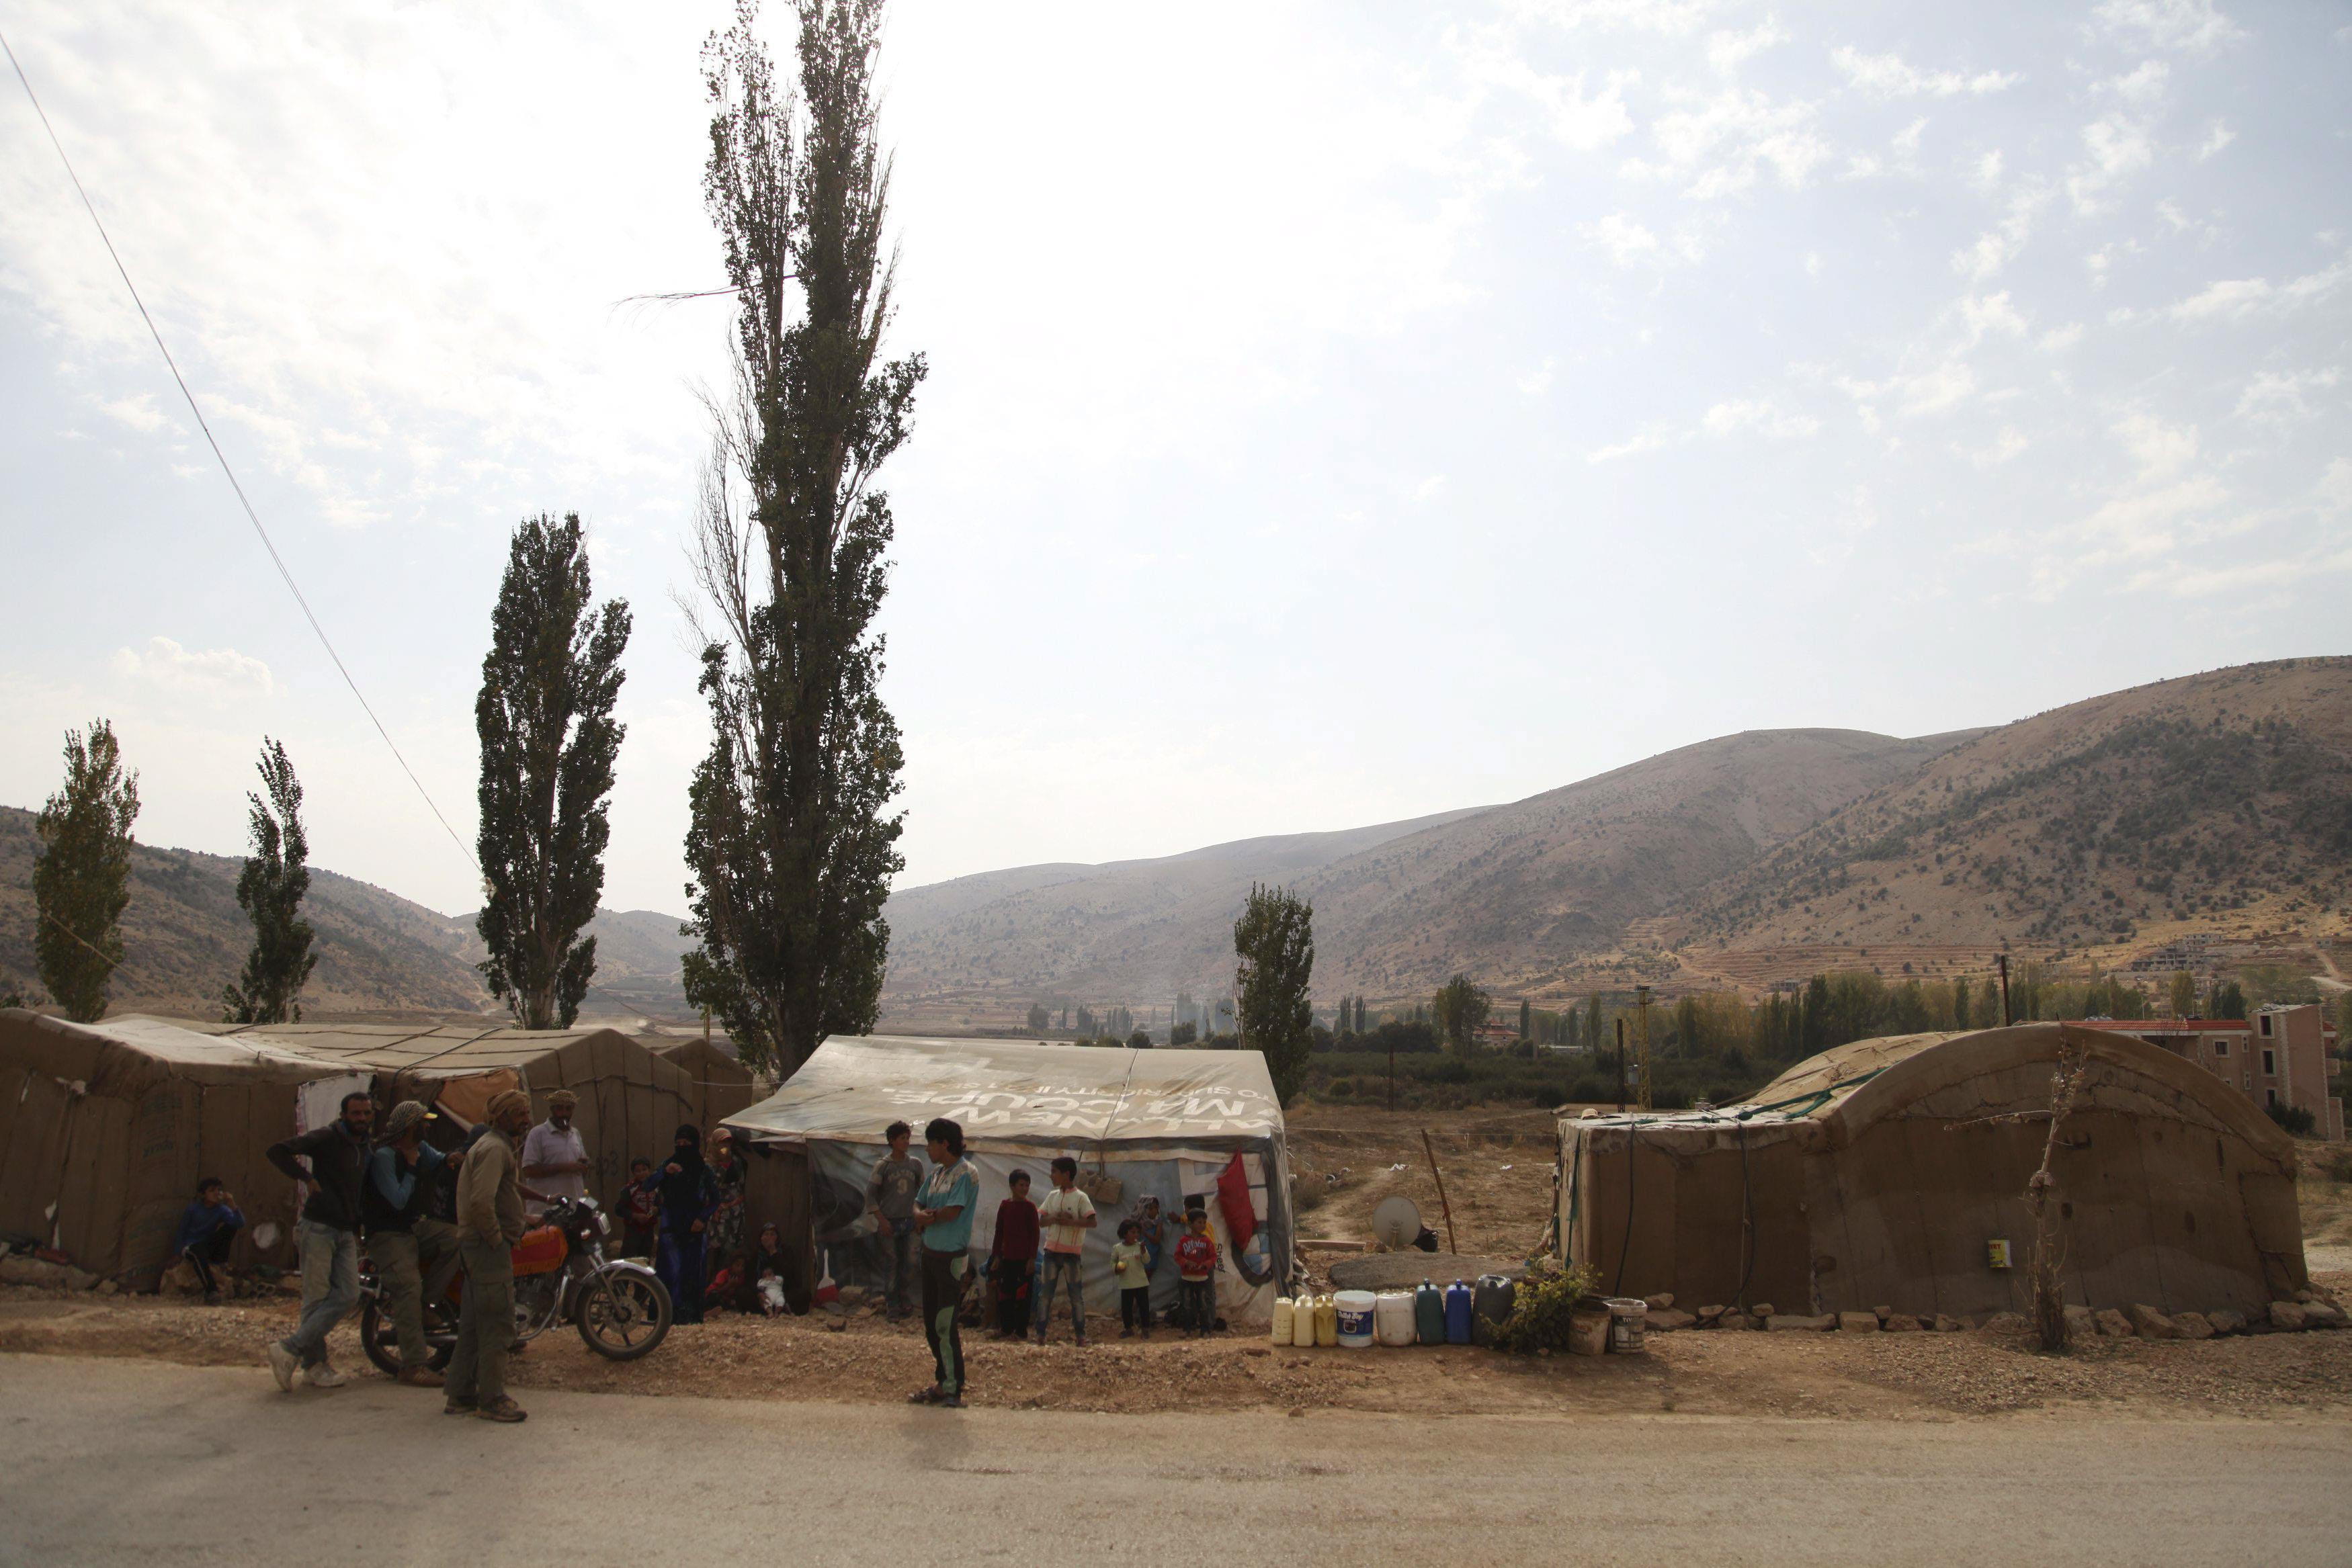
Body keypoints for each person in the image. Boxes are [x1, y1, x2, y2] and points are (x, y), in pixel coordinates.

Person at [264, 1090, 373, 1392]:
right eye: (356, 1114)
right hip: (319, 1227)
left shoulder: (365, 1147)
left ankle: (289, 1348)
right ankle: (314, 1366)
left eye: (366, 1113)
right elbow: (277, 1151)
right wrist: (306, 1178)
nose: (362, 1119)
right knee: (315, 1299)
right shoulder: (327, 1137)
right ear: (343, 1115)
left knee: (349, 1294)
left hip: (344, 1231)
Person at [446, 1088, 532, 1424]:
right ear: (503, 1117)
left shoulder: (493, 1147)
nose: (525, 1120)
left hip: (479, 1246)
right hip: (486, 1248)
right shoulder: (495, 1149)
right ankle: (492, 1398)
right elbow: (482, 1202)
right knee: (497, 1322)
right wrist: (497, 1239)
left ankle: (461, 1393)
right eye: (519, 1114)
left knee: (472, 1323)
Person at [364, 1100, 456, 1387]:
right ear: (409, 1128)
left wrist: (456, 1158)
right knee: (407, 1286)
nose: (427, 1127)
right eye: (423, 1124)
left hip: (413, 1226)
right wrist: (413, 1169)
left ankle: (426, 1306)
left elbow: (441, 1159)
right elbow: (397, 1199)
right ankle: (412, 1365)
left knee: (458, 1239)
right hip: (389, 1234)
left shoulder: (420, 1149)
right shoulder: (385, 1157)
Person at [908, 1117, 977, 1408]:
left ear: (944, 1143)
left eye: (930, 1143)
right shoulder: (937, 1174)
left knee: (944, 1324)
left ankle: (953, 1387)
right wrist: (918, 1214)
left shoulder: (966, 1174)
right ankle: (942, 1380)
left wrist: (926, 1218)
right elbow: (917, 1202)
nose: (927, 1149)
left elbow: (953, 1212)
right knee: (930, 1325)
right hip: (930, 1254)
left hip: (950, 1258)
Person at [654, 1124, 718, 1324]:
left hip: (694, 1229)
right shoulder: (668, 1164)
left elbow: (715, 1199)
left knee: (692, 1272)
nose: (682, 1147)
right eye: (678, 1144)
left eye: (686, 1144)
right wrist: (664, 1172)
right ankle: (666, 1316)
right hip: (670, 1228)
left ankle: (689, 1318)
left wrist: (702, 1218)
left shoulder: (704, 1170)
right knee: (670, 1271)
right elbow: (648, 1184)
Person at [1032, 1155, 1095, 1346]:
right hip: (1051, 1251)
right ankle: (1040, 1335)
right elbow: (1040, 1221)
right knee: (1046, 1295)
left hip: (1071, 1253)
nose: (1051, 1176)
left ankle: (1080, 1335)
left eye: (1054, 1172)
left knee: (1075, 1296)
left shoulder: (1081, 1198)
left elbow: (1092, 1221)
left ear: (1066, 1174)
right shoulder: (1052, 1196)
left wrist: (1071, 1222)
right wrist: (1054, 1219)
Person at [866, 1121, 923, 1320]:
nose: (906, 1142)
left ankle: (904, 1297)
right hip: (890, 1221)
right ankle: (892, 1304)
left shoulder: (915, 1164)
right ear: (892, 1141)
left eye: (908, 1138)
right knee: (892, 1263)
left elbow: (921, 1193)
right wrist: (881, 1220)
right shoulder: (883, 1166)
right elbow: (871, 1196)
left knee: (911, 1261)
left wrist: (919, 1218)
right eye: (902, 1138)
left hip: (909, 1220)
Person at [519, 1090, 591, 1218]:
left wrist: (583, 1166)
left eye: (568, 1109)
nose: (564, 1113)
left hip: (573, 1208)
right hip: (546, 1211)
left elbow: (581, 1162)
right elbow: (529, 1170)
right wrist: (565, 1167)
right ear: (552, 1110)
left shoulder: (575, 1134)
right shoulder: (538, 1134)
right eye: (559, 1108)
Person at [171, 1178, 243, 1305]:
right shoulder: (193, 1209)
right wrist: (177, 1253)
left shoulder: (222, 1210)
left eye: (219, 1190)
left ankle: (221, 1262)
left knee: (230, 1227)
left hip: (208, 1245)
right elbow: (182, 1230)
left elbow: (239, 1224)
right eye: (212, 1191)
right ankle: (211, 1290)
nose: (217, 1193)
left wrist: (232, 1205)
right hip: (192, 1246)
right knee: (198, 1253)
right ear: (203, 1194)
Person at [987, 1169, 1039, 1339]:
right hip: (1007, 1258)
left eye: (1027, 1185)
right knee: (1005, 1295)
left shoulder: (1030, 1208)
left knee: (1023, 1296)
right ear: (1012, 1186)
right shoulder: (1005, 1206)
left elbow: (1035, 1234)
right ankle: (1006, 1329)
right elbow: (999, 1232)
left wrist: (1032, 1259)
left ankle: (1021, 1331)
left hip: (1024, 1259)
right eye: (1021, 1185)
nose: (1025, 1189)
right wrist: (996, 1256)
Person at [706, 1130, 749, 1310]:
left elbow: (741, 1188)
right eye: (722, 1143)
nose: (725, 1147)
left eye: (728, 1143)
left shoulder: (737, 1163)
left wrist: (732, 1204)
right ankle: (710, 1293)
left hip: (734, 1213)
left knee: (730, 1251)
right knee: (713, 1251)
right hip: (716, 1214)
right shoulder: (708, 1166)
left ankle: (726, 1295)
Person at [1174, 1208, 1220, 1337]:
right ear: (1190, 1224)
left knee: (1203, 1304)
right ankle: (1187, 1330)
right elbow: (1177, 1256)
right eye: (1199, 1222)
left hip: (1202, 1279)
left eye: (1204, 1222)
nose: (1203, 1225)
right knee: (1187, 1304)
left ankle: (1205, 1330)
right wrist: (1186, 1263)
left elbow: (1213, 1257)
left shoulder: (1206, 1241)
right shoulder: (1184, 1241)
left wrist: (1205, 1265)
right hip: (1187, 1278)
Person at [1113, 1219, 1151, 1340]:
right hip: (1126, 1283)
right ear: (1125, 1233)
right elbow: (1112, 1263)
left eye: (1137, 1233)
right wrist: (1117, 1268)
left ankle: (1145, 1329)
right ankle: (1128, 1328)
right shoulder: (1118, 1248)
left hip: (1141, 1282)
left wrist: (1144, 1251)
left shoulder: (1140, 1246)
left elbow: (1147, 1261)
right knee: (1126, 1308)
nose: (1136, 1235)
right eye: (1133, 1232)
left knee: (1144, 1306)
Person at [616, 1158, 661, 1260]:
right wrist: (635, 1216)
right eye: (638, 1171)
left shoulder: (656, 1189)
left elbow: (661, 1208)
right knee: (628, 1261)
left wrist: (656, 1210)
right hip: (633, 1231)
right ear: (633, 1173)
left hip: (649, 1231)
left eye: (644, 1170)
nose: (642, 1173)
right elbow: (619, 1209)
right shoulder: (629, 1189)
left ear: (649, 1170)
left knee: (645, 1261)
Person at [751, 1222, 790, 1317]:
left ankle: (780, 1306)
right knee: (743, 1294)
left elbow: (788, 1274)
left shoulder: (785, 1251)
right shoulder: (757, 1255)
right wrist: (759, 1294)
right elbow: (751, 1278)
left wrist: (773, 1251)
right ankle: (768, 1309)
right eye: (766, 1235)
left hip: (780, 1291)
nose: (769, 1238)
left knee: (803, 1295)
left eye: (772, 1235)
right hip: (763, 1293)